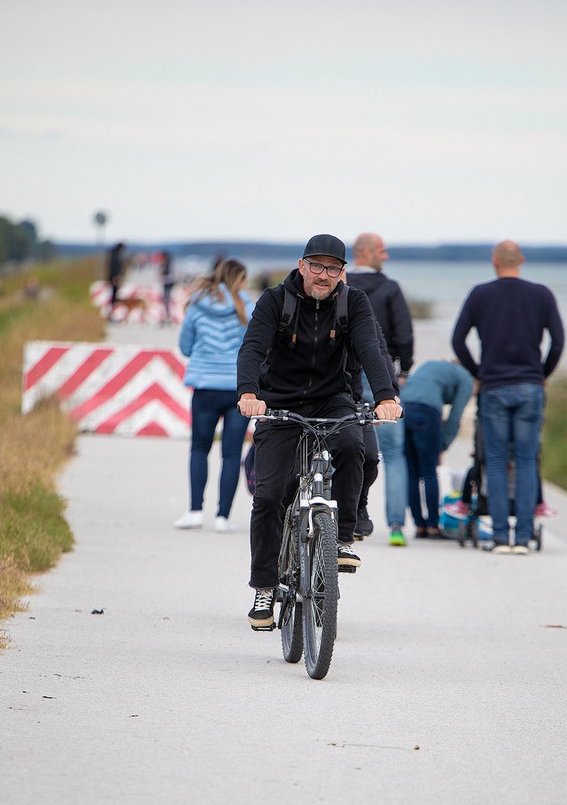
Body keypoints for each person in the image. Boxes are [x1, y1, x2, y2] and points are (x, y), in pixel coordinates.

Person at [237, 233, 402, 630]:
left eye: (332, 268)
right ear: (301, 265)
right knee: (270, 495)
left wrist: (386, 396)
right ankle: (263, 588)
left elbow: (370, 350)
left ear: (342, 272)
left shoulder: (353, 302)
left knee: (352, 445)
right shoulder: (275, 301)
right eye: (316, 266)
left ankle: (341, 537)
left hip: (333, 397)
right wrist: (248, 393)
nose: (323, 275)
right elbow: (253, 347)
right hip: (279, 402)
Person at [452, 240, 565, 554]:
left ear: (494, 261)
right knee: (527, 462)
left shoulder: (480, 294)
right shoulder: (541, 294)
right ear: (522, 260)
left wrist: (479, 372)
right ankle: (524, 537)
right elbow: (558, 342)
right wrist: (542, 373)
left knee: (497, 463)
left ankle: (500, 538)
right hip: (530, 386)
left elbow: (458, 340)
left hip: (494, 387)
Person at [174, 259, 255, 532]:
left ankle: (195, 511)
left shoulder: (197, 305)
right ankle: (223, 517)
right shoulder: (247, 306)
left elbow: (185, 347)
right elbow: (255, 348)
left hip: (205, 387)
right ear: (239, 279)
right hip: (238, 390)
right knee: (231, 454)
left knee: (199, 448)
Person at [347, 232, 415, 545]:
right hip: (381, 375)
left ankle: (345, 514)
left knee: (343, 443)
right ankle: (397, 526)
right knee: (393, 454)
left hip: (343, 373)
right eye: (382, 251)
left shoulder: (340, 286)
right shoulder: (390, 288)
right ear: (365, 252)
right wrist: (404, 370)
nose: (386, 256)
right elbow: (403, 334)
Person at [401, 359, 474, 538]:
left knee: (411, 472)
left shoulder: (433, 365)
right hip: (427, 412)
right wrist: (443, 445)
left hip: (403, 409)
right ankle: (433, 525)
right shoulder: (466, 378)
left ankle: (419, 526)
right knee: (429, 471)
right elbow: (456, 415)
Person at [106, 242, 126, 312]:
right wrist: (115, 277)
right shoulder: (115, 256)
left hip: (113, 276)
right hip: (114, 277)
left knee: (114, 294)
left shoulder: (113, 254)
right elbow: (114, 267)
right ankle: (112, 311)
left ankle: (113, 310)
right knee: (113, 294)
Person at [160, 251, 175, 324]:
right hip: (169, 284)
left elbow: (165, 273)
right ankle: (168, 317)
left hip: (167, 284)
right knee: (167, 301)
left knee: (166, 301)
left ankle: (167, 317)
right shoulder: (170, 263)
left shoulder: (167, 264)